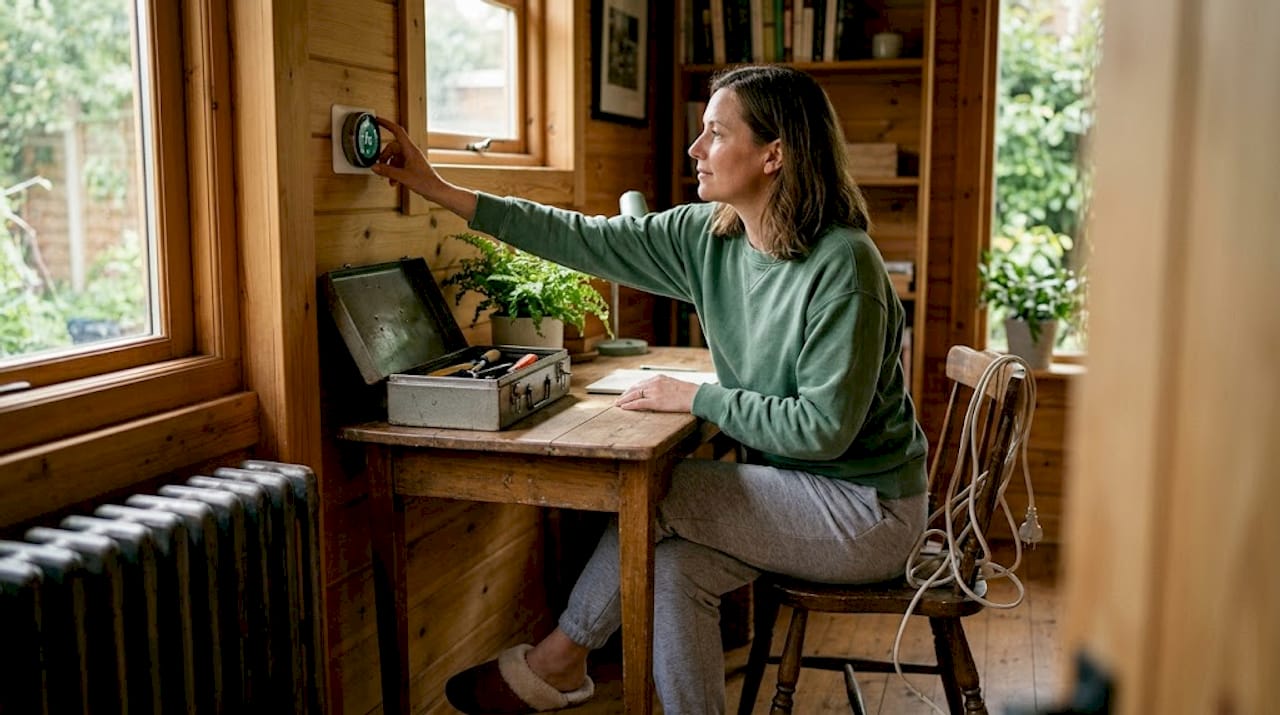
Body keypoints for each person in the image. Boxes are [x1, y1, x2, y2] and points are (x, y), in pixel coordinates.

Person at [371, 64, 929, 715]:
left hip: (868, 511)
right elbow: (577, 236)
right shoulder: (709, 234)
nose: (696, 150)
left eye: (716, 133)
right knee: (667, 568)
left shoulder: (844, 264)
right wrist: (437, 187)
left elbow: (822, 428)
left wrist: (696, 397)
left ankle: (557, 660)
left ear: (775, 154)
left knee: (662, 491)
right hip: (794, 495)